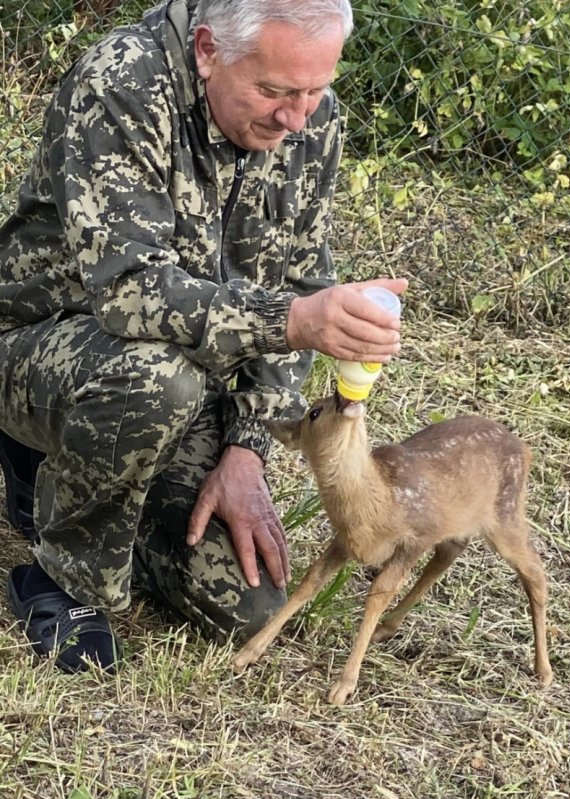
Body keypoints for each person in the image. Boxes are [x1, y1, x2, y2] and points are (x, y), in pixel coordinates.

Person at [0, 0, 406, 673]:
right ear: (209, 50)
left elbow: (302, 277)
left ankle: (74, 473)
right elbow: (130, 292)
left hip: (184, 376)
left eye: (315, 90)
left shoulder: (309, 116)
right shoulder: (124, 82)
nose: (296, 118)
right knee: (153, 378)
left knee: (247, 606)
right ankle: (65, 575)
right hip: (40, 345)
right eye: (274, 91)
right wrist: (295, 321)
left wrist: (246, 451)